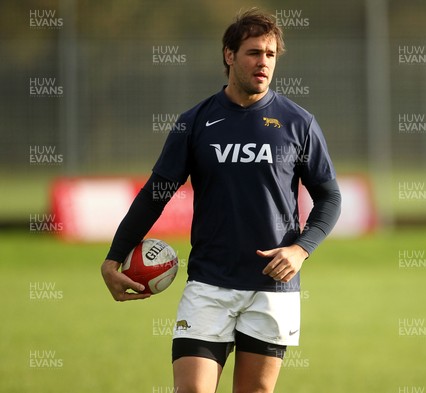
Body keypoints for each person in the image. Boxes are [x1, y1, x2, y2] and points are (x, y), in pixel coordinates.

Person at [101, 8, 341, 393]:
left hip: (271, 288)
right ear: (229, 55)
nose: (263, 62)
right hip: (209, 284)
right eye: (253, 52)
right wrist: (115, 256)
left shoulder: (299, 124)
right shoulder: (194, 122)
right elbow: (155, 195)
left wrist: (300, 250)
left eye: (270, 54)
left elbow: (330, 197)